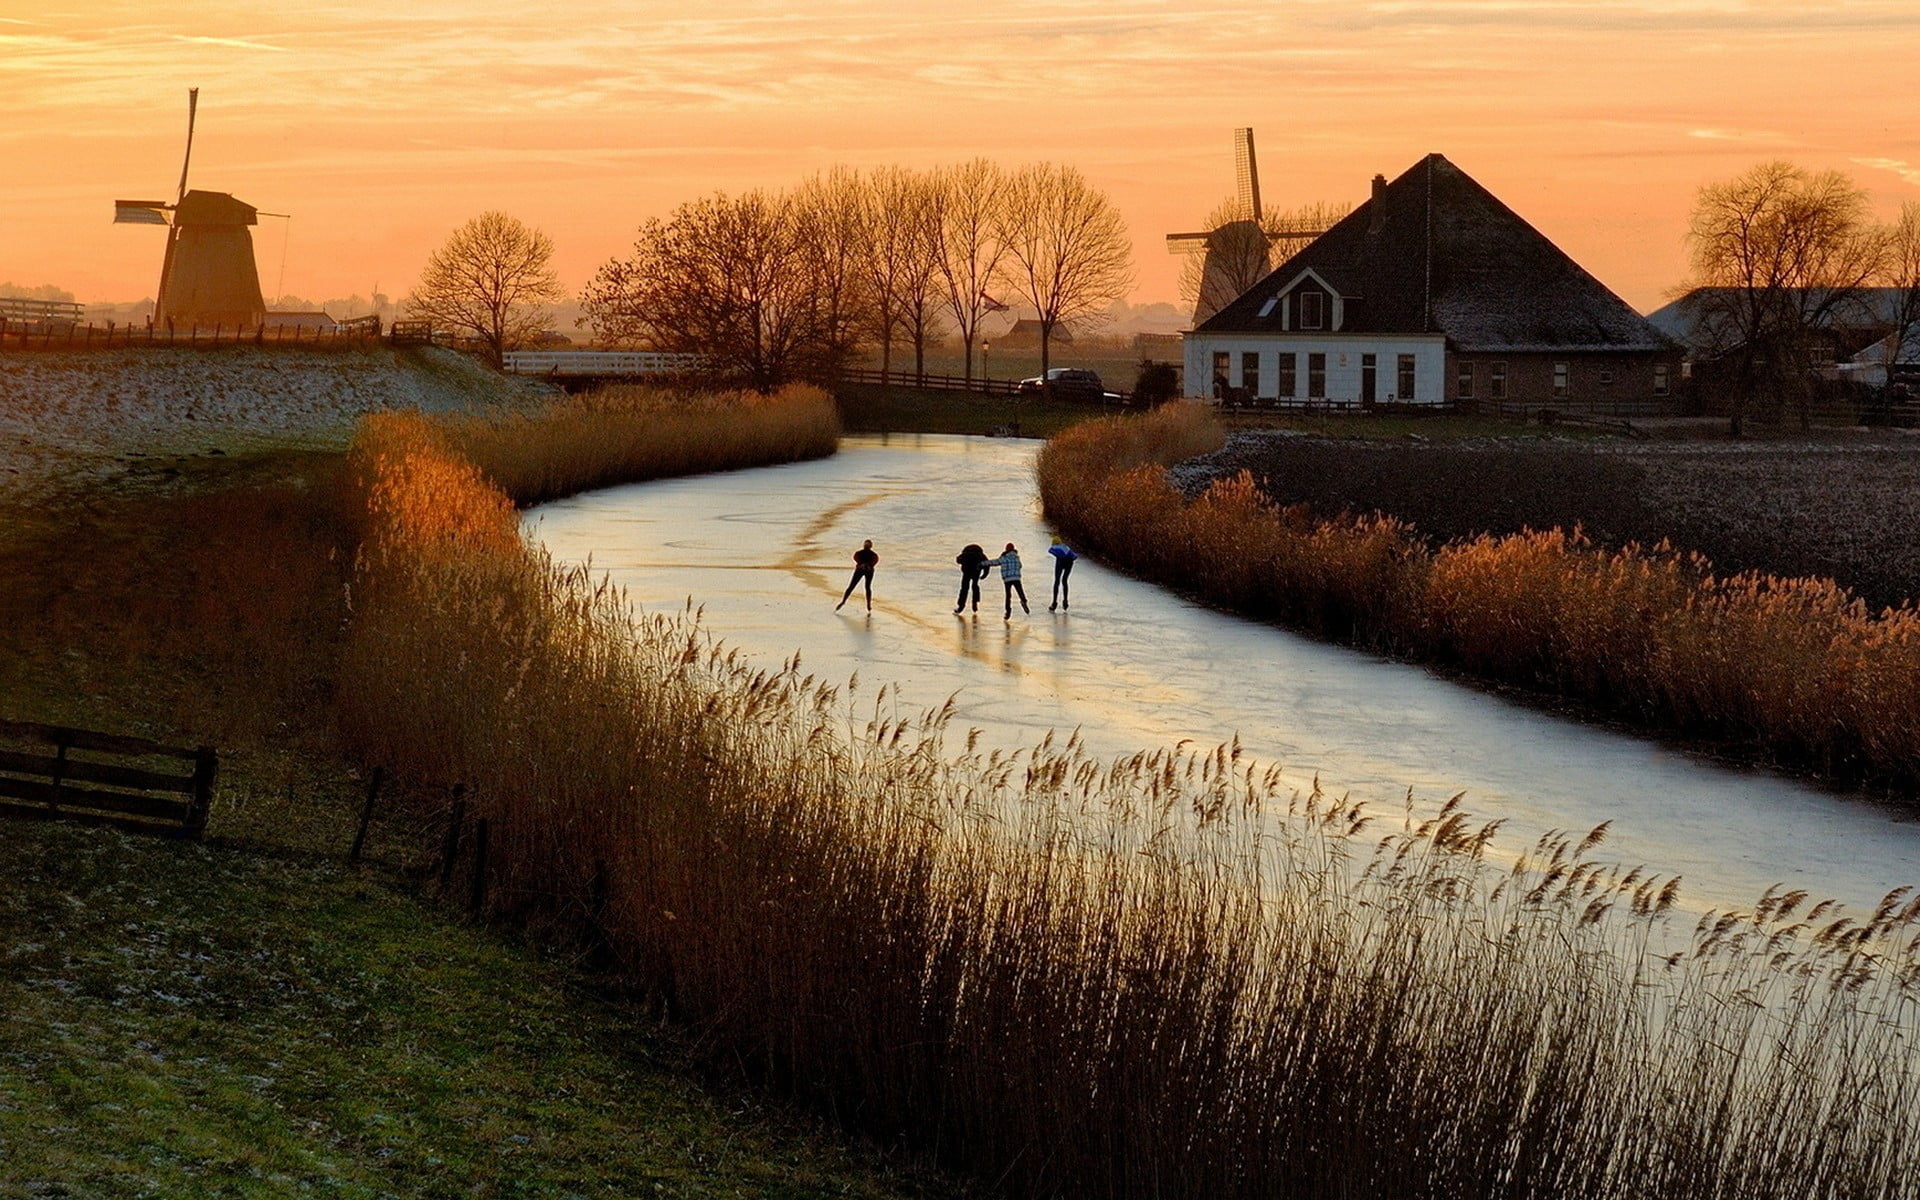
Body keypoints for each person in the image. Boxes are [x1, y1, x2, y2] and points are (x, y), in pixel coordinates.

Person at [985, 542, 1028, 618]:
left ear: (1006, 549)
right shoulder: (1016, 557)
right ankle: (1023, 601)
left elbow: (995, 562)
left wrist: (983, 563)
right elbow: (1020, 566)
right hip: (1016, 578)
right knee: (1020, 592)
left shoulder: (1004, 558)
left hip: (1007, 579)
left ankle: (1008, 612)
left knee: (1008, 596)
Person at [836, 539, 879, 612]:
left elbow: (875, 560)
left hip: (865, 571)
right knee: (854, 587)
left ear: (870, 546)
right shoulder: (863, 553)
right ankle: (843, 601)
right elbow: (856, 557)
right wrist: (864, 565)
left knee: (865, 587)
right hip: (862, 570)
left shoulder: (869, 554)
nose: (866, 546)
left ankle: (868, 604)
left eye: (867, 545)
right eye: (866, 545)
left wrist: (867, 565)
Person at [954, 543, 988, 613]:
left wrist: (964, 562)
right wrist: (985, 574)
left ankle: (961, 606)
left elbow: (958, 560)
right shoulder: (981, 555)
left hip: (967, 572)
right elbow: (987, 564)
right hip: (976, 572)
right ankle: (975, 603)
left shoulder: (965, 554)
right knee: (975, 586)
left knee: (964, 588)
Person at [1048, 542, 1078, 611]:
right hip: (1070, 562)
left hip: (1060, 562)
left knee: (1057, 581)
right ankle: (1065, 601)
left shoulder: (1056, 548)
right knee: (1064, 581)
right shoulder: (1066, 547)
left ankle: (1054, 603)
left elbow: (1050, 550)